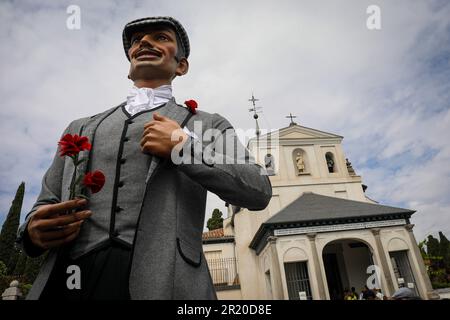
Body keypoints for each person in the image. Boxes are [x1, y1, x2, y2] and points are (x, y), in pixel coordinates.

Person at [16, 16, 272, 300]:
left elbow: (258, 189)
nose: (144, 42)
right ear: (130, 66)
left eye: (161, 37)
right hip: (70, 280)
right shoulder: (80, 127)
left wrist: (183, 146)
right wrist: (32, 232)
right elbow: (45, 203)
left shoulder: (208, 124)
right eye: (137, 41)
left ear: (181, 65)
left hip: (166, 282)